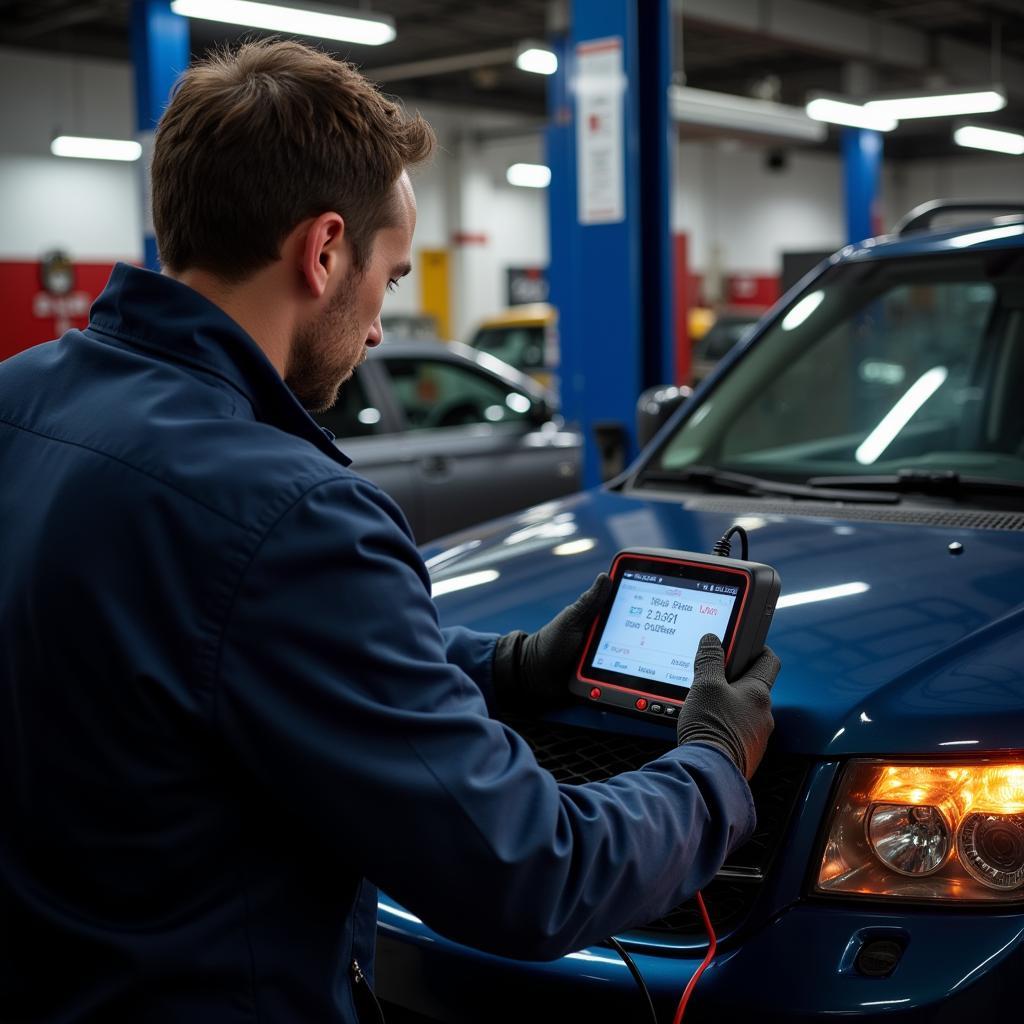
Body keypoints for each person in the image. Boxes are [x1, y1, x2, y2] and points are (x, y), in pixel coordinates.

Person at [0, 40, 779, 1023]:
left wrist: (506, 665)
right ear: (323, 251)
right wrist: (713, 763)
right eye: (392, 277)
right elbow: (534, 873)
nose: (376, 328)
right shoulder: (290, 512)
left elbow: (203, 642)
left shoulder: (19, 400)